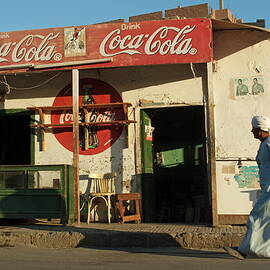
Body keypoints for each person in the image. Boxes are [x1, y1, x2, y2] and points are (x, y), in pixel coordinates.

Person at [224, 116, 270, 259]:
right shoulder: (264, 144)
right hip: (266, 188)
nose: (252, 131)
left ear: (260, 130)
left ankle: (243, 250)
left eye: (254, 129)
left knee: (256, 217)